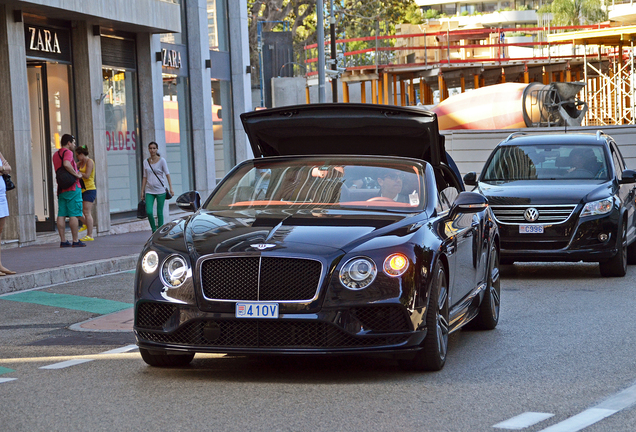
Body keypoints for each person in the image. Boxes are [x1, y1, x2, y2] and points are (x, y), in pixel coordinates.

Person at [54, 134, 86, 247]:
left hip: (61, 188)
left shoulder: (55, 155)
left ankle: (63, 241)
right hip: (72, 187)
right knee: (74, 214)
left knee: (61, 214)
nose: (74, 145)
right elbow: (66, 164)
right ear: (68, 143)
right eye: (73, 142)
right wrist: (76, 175)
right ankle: (75, 240)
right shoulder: (68, 153)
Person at [141, 142, 174, 233]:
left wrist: (171, 188)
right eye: (150, 148)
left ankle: (160, 231)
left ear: (157, 149)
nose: (152, 150)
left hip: (160, 190)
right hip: (149, 190)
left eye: (154, 148)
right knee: (149, 212)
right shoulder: (146, 162)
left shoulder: (162, 161)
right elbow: (145, 176)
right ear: (148, 149)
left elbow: (167, 174)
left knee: (159, 212)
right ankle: (153, 230)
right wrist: (142, 190)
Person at [75, 145, 96, 241]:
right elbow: (74, 166)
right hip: (82, 189)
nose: (77, 158)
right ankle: (86, 224)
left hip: (89, 189)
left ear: (82, 154)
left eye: (77, 155)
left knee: (87, 212)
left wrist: (79, 173)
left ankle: (90, 234)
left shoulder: (89, 162)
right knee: (80, 210)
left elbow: (87, 175)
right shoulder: (81, 162)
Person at [0, 152, 15, 275]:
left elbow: (9, 168)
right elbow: (5, 169)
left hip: (1, 196)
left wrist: (2, 169)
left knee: (0, 230)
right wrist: (3, 169)